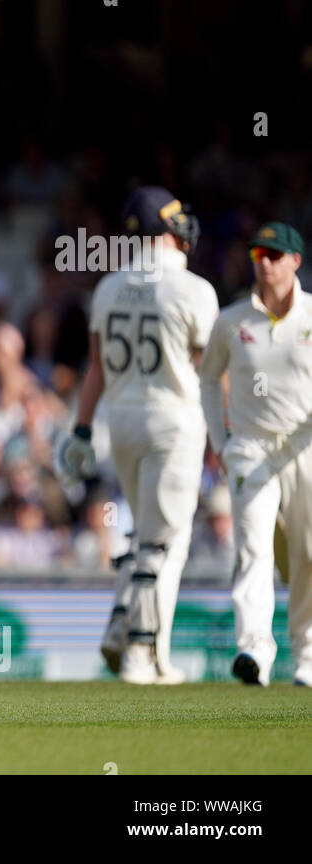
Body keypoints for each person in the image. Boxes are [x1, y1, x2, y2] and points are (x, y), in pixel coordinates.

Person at [54, 186, 217, 685]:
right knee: (165, 541)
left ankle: (122, 623)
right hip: (173, 418)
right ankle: (142, 655)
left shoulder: (107, 287)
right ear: (167, 229)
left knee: (145, 534)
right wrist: (228, 434)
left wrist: (81, 428)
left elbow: (96, 371)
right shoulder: (193, 290)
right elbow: (211, 371)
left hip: (119, 420)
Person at [199, 222, 312, 686]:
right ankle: (254, 651)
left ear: (294, 261)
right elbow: (208, 379)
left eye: (273, 254)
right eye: (257, 255)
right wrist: (222, 442)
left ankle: (307, 655)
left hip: (305, 446)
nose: (263, 263)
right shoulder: (232, 321)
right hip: (250, 446)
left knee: (307, 552)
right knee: (253, 549)